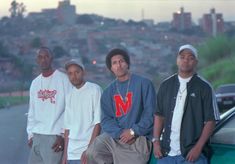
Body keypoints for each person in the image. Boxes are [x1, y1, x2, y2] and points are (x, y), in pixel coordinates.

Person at [86, 48, 157, 164]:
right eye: (114, 63)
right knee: (93, 152)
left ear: (127, 63)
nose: (118, 65)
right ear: (111, 68)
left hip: (139, 137)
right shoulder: (108, 92)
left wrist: (133, 131)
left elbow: (151, 114)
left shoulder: (144, 84)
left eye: (121, 61)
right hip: (115, 136)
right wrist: (120, 133)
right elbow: (106, 120)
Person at [153, 44, 220, 164]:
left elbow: (211, 120)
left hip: (191, 155)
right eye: (182, 57)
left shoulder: (204, 87)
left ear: (196, 62)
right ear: (177, 60)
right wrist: (156, 142)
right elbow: (159, 115)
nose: (186, 60)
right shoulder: (165, 85)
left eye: (190, 57)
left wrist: (198, 148)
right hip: (166, 154)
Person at [27, 47, 72, 164]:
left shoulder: (63, 79)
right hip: (37, 136)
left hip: (53, 137)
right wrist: (30, 134)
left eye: (46, 56)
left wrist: (62, 135)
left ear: (51, 58)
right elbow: (32, 111)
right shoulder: (35, 83)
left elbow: (70, 109)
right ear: (37, 60)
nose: (43, 60)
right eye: (40, 57)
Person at [62, 59, 102, 164]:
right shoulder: (69, 95)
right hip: (72, 153)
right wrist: (65, 155)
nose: (73, 76)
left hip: (88, 151)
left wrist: (89, 150)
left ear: (83, 72)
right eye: (70, 73)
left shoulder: (94, 90)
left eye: (77, 72)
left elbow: (98, 122)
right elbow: (67, 128)